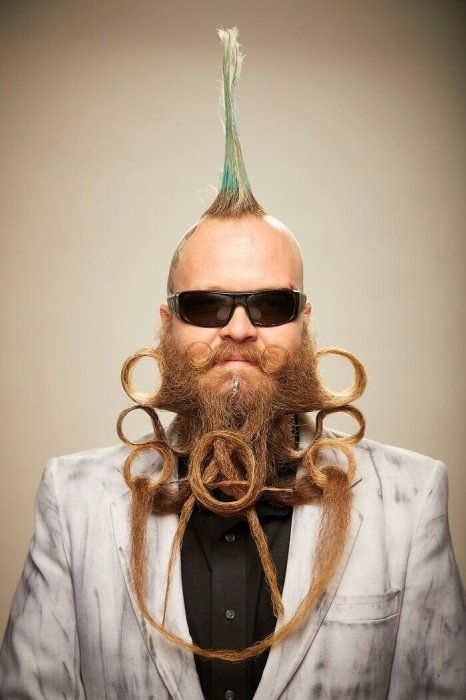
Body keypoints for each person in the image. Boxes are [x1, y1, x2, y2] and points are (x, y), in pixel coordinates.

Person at [1, 27, 464, 700]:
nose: (240, 329)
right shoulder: (73, 503)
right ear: (167, 324)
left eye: (271, 304)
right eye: (207, 305)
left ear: (305, 323)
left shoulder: (410, 500)